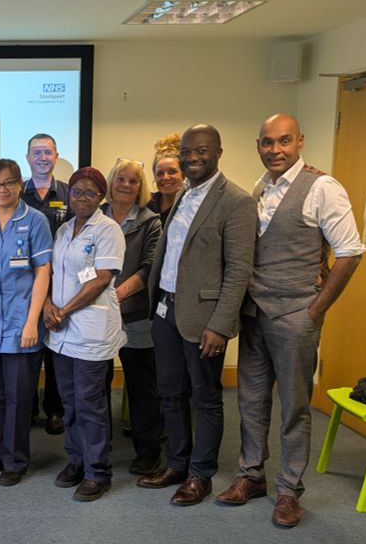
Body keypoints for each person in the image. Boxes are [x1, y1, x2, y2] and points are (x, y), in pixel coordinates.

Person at [216, 114, 364, 527]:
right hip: (255, 313)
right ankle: (251, 476)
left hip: (296, 314)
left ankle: (288, 491)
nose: (275, 150)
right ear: (258, 145)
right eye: (267, 143)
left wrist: (315, 309)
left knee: (295, 407)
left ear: (300, 142)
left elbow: (350, 252)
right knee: (250, 401)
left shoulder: (322, 188)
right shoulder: (262, 186)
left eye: (283, 141)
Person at [139, 124, 257, 506]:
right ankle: (176, 463)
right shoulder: (185, 194)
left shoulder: (235, 201)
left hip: (205, 320)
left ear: (218, 152)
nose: (192, 158)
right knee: (170, 394)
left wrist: (220, 325)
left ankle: (200, 473)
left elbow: (239, 269)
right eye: (187, 151)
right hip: (166, 311)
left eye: (201, 151)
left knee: (205, 398)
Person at [44, 167, 126, 502]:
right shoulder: (63, 231)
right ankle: (75, 460)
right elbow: (51, 274)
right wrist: (49, 304)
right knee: (69, 403)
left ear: (101, 197)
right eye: (76, 192)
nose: (80, 198)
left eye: (89, 193)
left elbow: (100, 279)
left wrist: (63, 310)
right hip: (60, 334)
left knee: (90, 404)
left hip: (90, 331)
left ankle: (98, 472)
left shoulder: (108, 230)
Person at [0, 159, 53, 486]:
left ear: (19, 184)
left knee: (19, 397)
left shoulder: (35, 221)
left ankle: (16, 460)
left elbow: (43, 272)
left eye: (8, 183)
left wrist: (33, 321)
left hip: (22, 323)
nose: (1, 190)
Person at [101, 158, 163, 476]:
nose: (126, 184)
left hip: (135, 315)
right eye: (120, 178)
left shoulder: (150, 221)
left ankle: (148, 451)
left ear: (141, 188)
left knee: (142, 386)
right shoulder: (95, 215)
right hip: (96, 314)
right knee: (98, 385)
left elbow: (150, 267)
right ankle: (98, 448)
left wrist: (117, 294)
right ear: (111, 182)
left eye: (133, 181)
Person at [22, 133, 72, 435]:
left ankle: (55, 410)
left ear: (56, 156)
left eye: (48, 152)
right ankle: (27, 408)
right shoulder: (17, 194)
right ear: (28, 157)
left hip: (62, 285)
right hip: (24, 284)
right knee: (27, 351)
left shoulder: (69, 194)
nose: (42, 157)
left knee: (56, 352)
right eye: (36, 152)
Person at [148, 134, 183, 225]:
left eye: (172, 172)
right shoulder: (147, 204)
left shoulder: (190, 207)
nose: (166, 177)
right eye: (160, 173)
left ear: (184, 175)